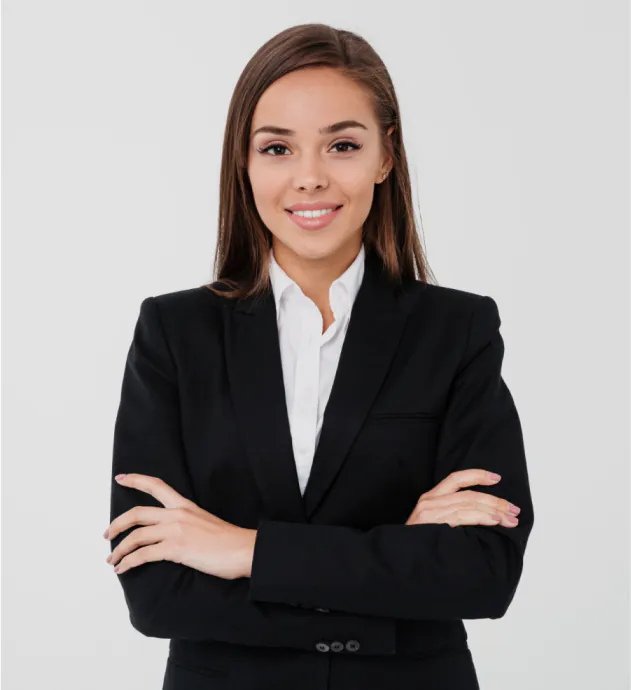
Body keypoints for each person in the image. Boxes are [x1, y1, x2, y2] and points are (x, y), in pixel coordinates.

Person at [105, 23, 534, 690]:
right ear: (244, 163)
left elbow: (482, 573)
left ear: (385, 157)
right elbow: (158, 594)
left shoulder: (456, 330)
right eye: (277, 148)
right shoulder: (174, 333)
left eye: (342, 145)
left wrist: (245, 550)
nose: (309, 178)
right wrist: (396, 560)